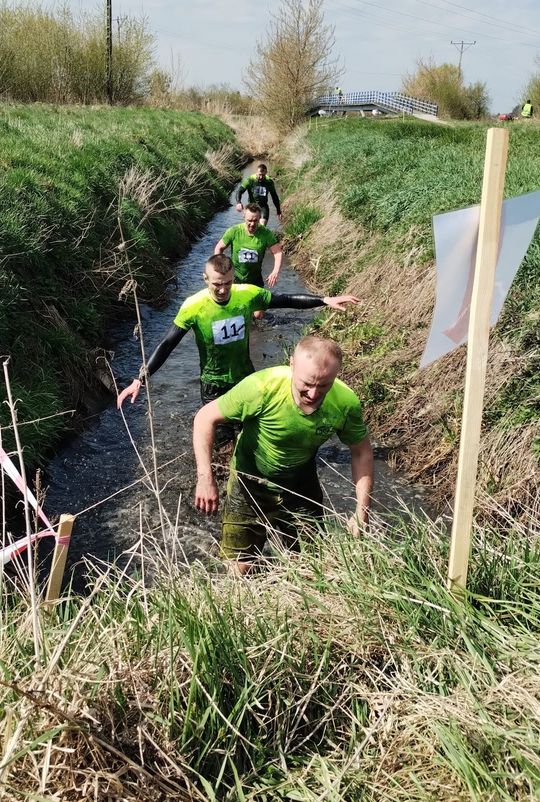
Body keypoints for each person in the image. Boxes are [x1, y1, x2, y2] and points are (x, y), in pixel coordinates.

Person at [117, 256, 360, 445]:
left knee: (250, 438)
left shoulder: (246, 294)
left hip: (246, 379)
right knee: (222, 443)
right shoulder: (193, 307)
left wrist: (324, 300)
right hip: (213, 384)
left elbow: (284, 299)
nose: (223, 290)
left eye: (228, 283)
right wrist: (141, 379)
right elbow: (168, 344)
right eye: (217, 285)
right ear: (205, 280)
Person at [193, 336, 374, 573]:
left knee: (310, 560)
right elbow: (205, 417)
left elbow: (361, 452)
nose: (313, 393)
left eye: (324, 385)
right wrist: (206, 478)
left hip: (299, 483)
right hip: (249, 480)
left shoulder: (344, 403)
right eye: (307, 383)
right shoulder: (261, 388)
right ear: (292, 365)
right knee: (241, 564)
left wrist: (362, 511)